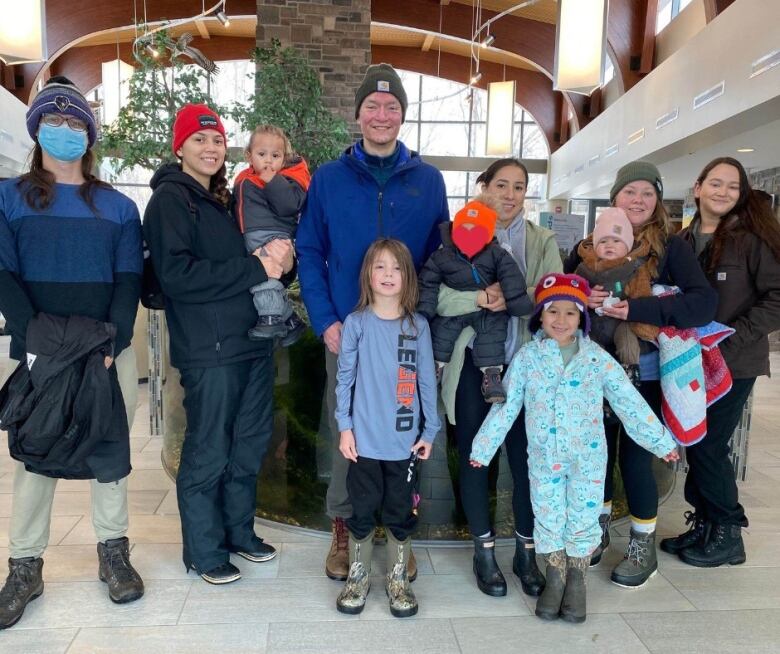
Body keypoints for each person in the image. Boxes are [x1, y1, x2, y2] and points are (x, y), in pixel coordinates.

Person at [0, 76, 144, 628]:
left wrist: (112, 341)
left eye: (76, 122)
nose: (65, 131)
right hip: (38, 352)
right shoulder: (9, 199)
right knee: (36, 452)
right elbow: (4, 275)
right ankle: (25, 564)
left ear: (90, 134)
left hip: (106, 350)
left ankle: (113, 553)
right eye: (54, 122)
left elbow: (128, 280)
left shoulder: (118, 208)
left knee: (109, 449)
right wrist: (38, 340)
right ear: (37, 130)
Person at [296, 63, 449, 582]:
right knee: (349, 430)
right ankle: (347, 526)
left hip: (406, 332)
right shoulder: (329, 179)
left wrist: (420, 321)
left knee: (408, 422)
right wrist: (325, 320)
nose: (382, 115)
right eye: (373, 106)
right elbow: (310, 248)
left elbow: (437, 257)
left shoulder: (427, 181)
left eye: (392, 107)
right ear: (357, 114)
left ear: (402, 116)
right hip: (349, 330)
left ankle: (398, 529)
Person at [470, 273, 678, 623]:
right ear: (541, 316)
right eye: (553, 312)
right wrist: (483, 448)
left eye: (570, 312)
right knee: (548, 514)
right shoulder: (528, 358)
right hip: (544, 458)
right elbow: (505, 406)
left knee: (583, 516)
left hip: (588, 459)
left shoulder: (596, 358)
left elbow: (628, 401)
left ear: (582, 316)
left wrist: (660, 441)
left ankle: (577, 580)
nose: (561, 320)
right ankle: (554, 577)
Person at [144, 104, 293, 584]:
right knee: (208, 449)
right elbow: (177, 276)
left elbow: (258, 263)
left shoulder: (226, 200)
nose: (210, 148)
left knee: (248, 446)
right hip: (209, 352)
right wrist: (256, 268)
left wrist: (279, 260)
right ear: (180, 147)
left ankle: (238, 534)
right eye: (199, 140)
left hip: (250, 343)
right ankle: (204, 552)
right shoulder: (172, 201)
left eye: (216, 141)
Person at [563, 160, 717, 586]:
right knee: (597, 455)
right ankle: (596, 532)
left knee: (635, 457)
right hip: (592, 368)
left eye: (647, 193)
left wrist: (638, 308)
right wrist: (580, 294)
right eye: (630, 192)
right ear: (614, 198)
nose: (638, 200)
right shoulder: (586, 247)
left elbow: (703, 304)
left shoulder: (669, 248)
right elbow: (558, 297)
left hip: (642, 371)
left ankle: (641, 544)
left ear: (657, 200)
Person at [436, 158, 561, 598]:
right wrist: (476, 295)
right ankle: (483, 549)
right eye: (501, 184)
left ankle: (526, 550)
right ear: (482, 186)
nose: (509, 195)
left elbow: (554, 297)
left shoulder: (541, 239)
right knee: (475, 456)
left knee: (526, 459)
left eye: (519, 187)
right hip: (473, 366)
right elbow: (438, 298)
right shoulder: (455, 234)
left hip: (525, 367)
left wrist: (508, 295)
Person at [662, 157, 780, 566]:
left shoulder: (750, 240)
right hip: (689, 363)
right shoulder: (681, 240)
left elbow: (776, 299)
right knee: (696, 441)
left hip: (735, 361)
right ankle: (706, 525)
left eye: (733, 186)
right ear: (697, 188)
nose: (723, 192)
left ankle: (729, 531)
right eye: (715, 183)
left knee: (711, 446)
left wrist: (733, 339)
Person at [334, 239, 440, 618]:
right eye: (380, 266)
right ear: (368, 275)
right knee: (361, 509)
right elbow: (344, 379)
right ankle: (358, 573)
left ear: (407, 276)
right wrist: (345, 427)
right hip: (362, 443)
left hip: (405, 443)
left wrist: (430, 431)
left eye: (396, 268)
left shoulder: (417, 327)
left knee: (400, 510)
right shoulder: (356, 323)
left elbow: (426, 380)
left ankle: (398, 577)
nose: (388, 274)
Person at [417, 196, 532, 403]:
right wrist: (425, 310)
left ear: (487, 235)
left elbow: (511, 277)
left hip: (488, 310)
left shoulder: (497, 254)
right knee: (441, 331)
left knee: (493, 333)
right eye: (463, 230)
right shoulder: (443, 255)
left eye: (476, 232)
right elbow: (428, 281)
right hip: (457, 307)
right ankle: (434, 368)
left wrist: (517, 302)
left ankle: (492, 375)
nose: (468, 236)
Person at [234, 124, 310, 345]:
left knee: (263, 280)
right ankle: (290, 322)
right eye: (262, 154)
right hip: (252, 234)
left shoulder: (288, 178)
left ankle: (270, 319)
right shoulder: (245, 178)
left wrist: (273, 182)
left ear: (284, 157)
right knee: (260, 275)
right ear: (249, 155)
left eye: (275, 155)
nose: (268, 161)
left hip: (272, 235)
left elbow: (290, 205)